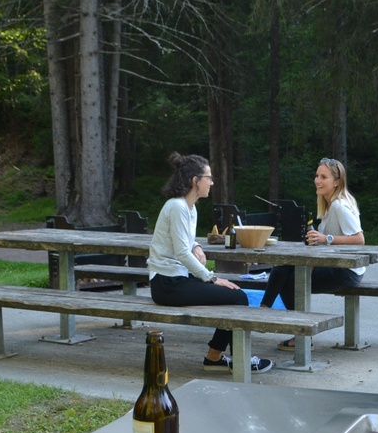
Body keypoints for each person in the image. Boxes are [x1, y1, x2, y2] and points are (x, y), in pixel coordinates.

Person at [147, 152, 273, 373]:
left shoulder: (189, 207)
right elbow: (181, 253)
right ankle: (236, 360)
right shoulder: (176, 207)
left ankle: (215, 358)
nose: (212, 182)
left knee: (235, 295)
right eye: (209, 178)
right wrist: (212, 278)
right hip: (167, 285)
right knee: (237, 297)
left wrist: (196, 245)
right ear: (195, 181)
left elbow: (184, 242)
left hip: (176, 279)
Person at [261, 158, 366, 350]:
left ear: (337, 182)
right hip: (335, 265)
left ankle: (289, 327)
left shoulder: (339, 206)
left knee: (287, 280)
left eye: (323, 177)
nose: (317, 180)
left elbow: (359, 239)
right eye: (317, 175)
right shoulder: (329, 206)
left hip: (346, 271)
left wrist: (326, 238)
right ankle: (272, 316)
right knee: (283, 270)